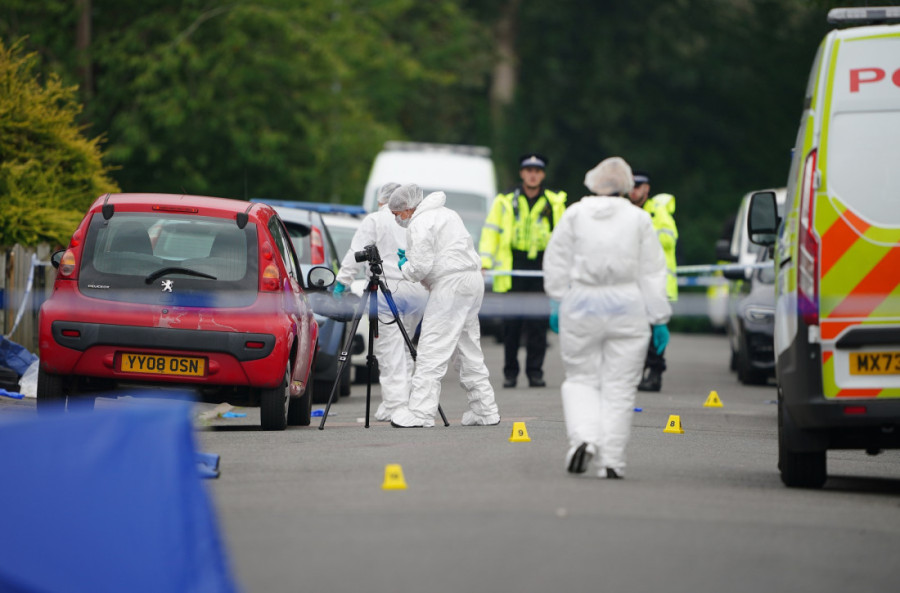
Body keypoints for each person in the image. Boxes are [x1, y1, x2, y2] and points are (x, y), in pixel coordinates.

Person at [543, 157, 671, 479]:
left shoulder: (574, 214)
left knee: (581, 378)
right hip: (627, 303)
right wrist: (659, 318)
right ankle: (612, 460)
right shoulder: (639, 219)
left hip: (582, 300)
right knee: (620, 386)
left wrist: (557, 299)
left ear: (593, 183)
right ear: (626, 186)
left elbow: (556, 258)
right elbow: (653, 271)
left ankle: (584, 439)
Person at [387, 183, 501, 428]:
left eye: (397, 215)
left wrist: (404, 266)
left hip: (451, 285)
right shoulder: (448, 214)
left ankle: (420, 412)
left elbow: (420, 268)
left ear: (407, 209)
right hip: (472, 281)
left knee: (432, 347)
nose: (398, 219)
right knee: (468, 348)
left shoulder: (419, 223)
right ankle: (485, 410)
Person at [333, 182, 428, 422]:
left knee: (390, 349)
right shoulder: (413, 218)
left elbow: (355, 253)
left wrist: (341, 283)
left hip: (388, 292)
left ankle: (396, 405)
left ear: (381, 200)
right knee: (406, 345)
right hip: (417, 290)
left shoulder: (375, 220)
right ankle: (400, 401)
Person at [479, 153, 567, 388]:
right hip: (513, 267)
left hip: (541, 267)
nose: (533, 174)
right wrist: (485, 261)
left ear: (543, 175)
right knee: (511, 325)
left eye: (537, 170)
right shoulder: (505, 201)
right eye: (528, 170)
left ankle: (535, 372)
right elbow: (491, 232)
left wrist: (564, 267)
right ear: (522, 173)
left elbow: (563, 238)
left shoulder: (553, 202)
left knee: (538, 324)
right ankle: (510, 373)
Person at [628, 171, 678, 392]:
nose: (634, 190)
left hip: (657, 280)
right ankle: (639, 373)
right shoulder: (627, 212)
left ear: (647, 189)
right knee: (637, 332)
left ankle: (655, 374)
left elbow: (669, 238)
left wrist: (644, 235)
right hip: (635, 282)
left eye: (638, 186)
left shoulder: (657, 210)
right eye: (631, 186)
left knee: (654, 330)